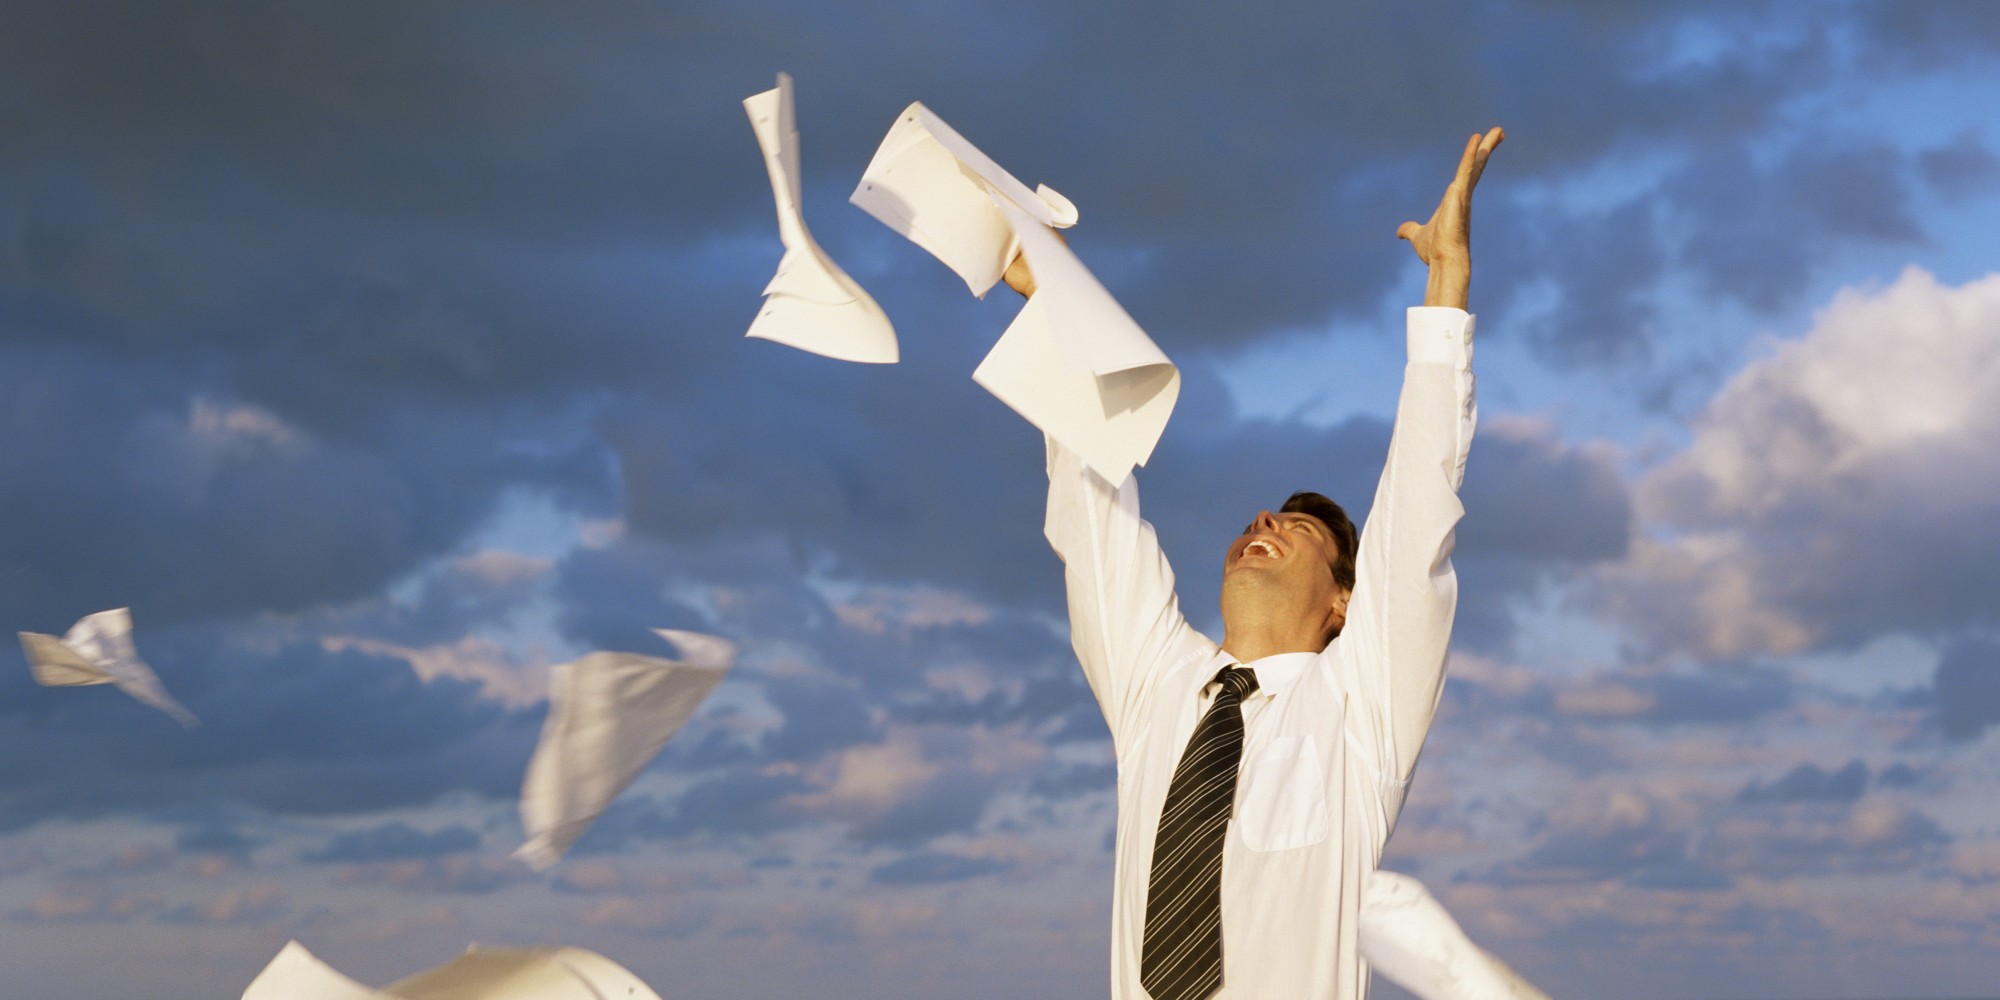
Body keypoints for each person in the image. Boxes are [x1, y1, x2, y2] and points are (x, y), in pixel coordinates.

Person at [1009, 127, 1507, 1000]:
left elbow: (1414, 521)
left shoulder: (1361, 708)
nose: (1264, 521)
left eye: (1302, 529)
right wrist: (1055, 300)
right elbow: (1091, 514)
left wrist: (1445, 292)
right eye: (1259, 519)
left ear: (1344, 601)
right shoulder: (1157, 686)